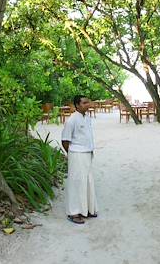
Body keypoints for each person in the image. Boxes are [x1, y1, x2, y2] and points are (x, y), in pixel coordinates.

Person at [61, 95, 98, 224]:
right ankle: (74, 213)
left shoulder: (87, 118)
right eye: (84, 103)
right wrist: (73, 154)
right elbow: (65, 140)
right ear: (77, 105)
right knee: (76, 182)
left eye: (88, 102)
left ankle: (86, 209)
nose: (87, 104)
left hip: (87, 153)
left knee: (87, 181)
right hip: (77, 154)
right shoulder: (71, 120)